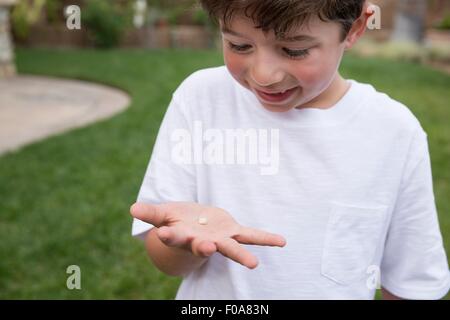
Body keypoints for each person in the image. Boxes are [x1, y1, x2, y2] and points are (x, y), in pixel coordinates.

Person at [130, 0, 450, 299]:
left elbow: (413, 282)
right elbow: (166, 260)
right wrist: (185, 245)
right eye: (240, 45)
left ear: (353, 29)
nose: (264, 75)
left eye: (294, 50)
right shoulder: (201, 100)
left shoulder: (394, 132)